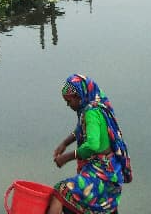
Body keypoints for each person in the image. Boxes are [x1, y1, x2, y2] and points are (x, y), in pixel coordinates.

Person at [48, 74, 132, 214]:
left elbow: (92, 145)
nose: (68, 105)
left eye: (69, 101)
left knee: (61, 191)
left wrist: (67, 157)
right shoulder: (95, 108)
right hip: (112, 172)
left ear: (79, 95)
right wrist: (65, 143)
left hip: (102, 172)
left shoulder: (91, 113)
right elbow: (81, 129)